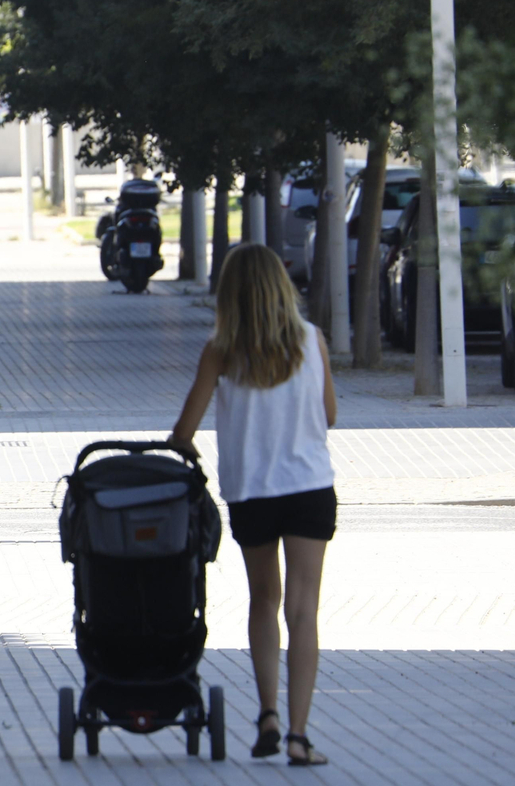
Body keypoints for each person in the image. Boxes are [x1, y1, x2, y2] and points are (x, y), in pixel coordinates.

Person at [170, 244, 336, 767]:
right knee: (304, 610)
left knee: (264, 600)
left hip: (252, 493)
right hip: (310, 487)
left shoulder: (221, 349)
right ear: (282, 288)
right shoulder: (312, 341)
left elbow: (182, 433)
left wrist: (195, 451)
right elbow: (329, 414)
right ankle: (299, 737)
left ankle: (267, 714)